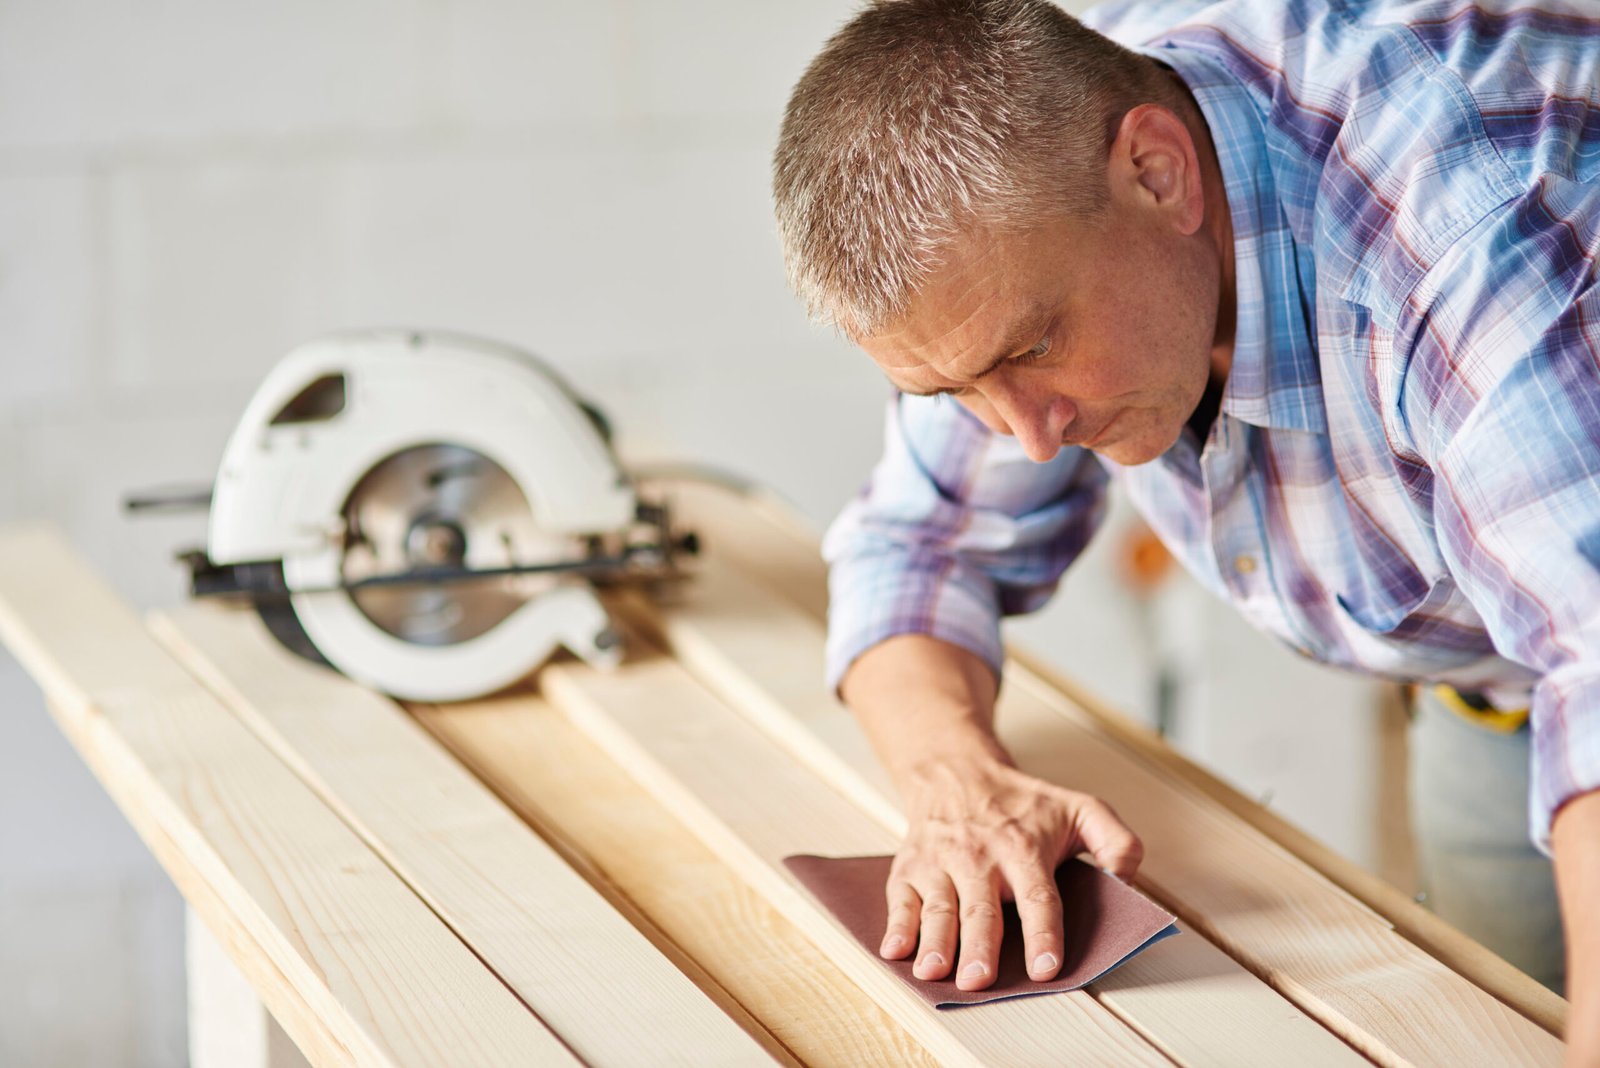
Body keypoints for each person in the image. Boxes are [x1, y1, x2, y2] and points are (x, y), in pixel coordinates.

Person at [771, 0, 1600, 1058]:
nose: (1027, 439)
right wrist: (956, 782)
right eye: (955, 392)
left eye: (1032, 346)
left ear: (1157, 173)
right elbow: (919, 547)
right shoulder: (1025, 217)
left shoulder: (1461, 225)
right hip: (1492, 688)